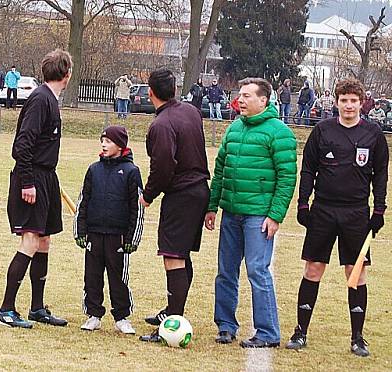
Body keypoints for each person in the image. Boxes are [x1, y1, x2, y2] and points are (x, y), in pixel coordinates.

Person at [285, 78, 388, 357]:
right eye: (344, 100)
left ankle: (357, 338)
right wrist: (303, 203)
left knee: (355, 274)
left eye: (354, 100)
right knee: (313, 269)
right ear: (336, 102)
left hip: (356, 213)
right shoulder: (322, 130)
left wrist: (379, 209)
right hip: (323, 210)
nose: (349, 105)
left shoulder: (374, 134)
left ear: (361, 102)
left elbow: (380, 175)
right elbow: (307, 169)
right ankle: (301, 332)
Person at [206, 77, 297, 348]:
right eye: (240, 95)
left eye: (246, 96)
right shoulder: (234, 129)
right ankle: (225, 325)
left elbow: (287, 178)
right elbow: (220, 170)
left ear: (263, 100)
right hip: (231, 214)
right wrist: (212, 206)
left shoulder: (279, 133)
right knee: (226, 271)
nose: (241, 100)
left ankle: (268, 332)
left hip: (259, 216)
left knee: (257, 270)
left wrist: (275, 215)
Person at [0, 49, 72, 328]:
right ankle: (5, 309)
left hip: (47, 177)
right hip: (32, 178)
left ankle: (37, 308)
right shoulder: (41, 100)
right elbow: (23, 145)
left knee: (44, 241)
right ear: (67, 74)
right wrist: (28, 182)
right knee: (29, 239)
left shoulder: (51, 99)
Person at [137, 69, 210, 342]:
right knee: (182, 254)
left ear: (150, 92)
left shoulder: (161, 124)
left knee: (173, 256)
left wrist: (147, 195)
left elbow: (163, 166)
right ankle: (172, 310)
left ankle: (173, 322)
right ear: (175, 89)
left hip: (181, 194)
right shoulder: (191, 111)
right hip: (200, 189)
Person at [73, 126, 144, 334]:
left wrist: (132, 238)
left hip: (118, 237)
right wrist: (80, 230)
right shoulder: (94, 169)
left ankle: (122, 316)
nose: (104, 144)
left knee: (118, 278)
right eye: (102, 140)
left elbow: (137, 207)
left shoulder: (132, 172)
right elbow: (83, 201)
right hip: (94, 234)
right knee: (92, 277)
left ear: (120, 145)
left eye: (109, 141)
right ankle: (93, 314)